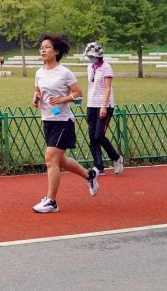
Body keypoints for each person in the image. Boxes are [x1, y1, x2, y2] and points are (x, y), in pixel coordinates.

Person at [31, 34, 100, 213]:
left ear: (56, 51)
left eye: (47, 47)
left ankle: (51, 201)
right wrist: (36, 98)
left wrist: (62, 99)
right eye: (41, 48)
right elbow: (37, 91)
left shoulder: (64, 72)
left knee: (50, 158)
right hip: (48, 119)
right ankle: (90, 175)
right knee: (60, 160)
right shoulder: (39, 72)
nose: (43, 50)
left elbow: (78, 93)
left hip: (63, 120)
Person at [83, 42, 124, 176]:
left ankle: (116, 158)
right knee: (92, 137)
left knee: (99, 136)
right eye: (89, 56)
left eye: (92, 56)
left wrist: (104, 106)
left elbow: (107, 88)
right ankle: (98, 166)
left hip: (104, 105)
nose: (90, 58)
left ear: (99, 56)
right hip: (91, 105)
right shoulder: (89, 67)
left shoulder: (106, 67)